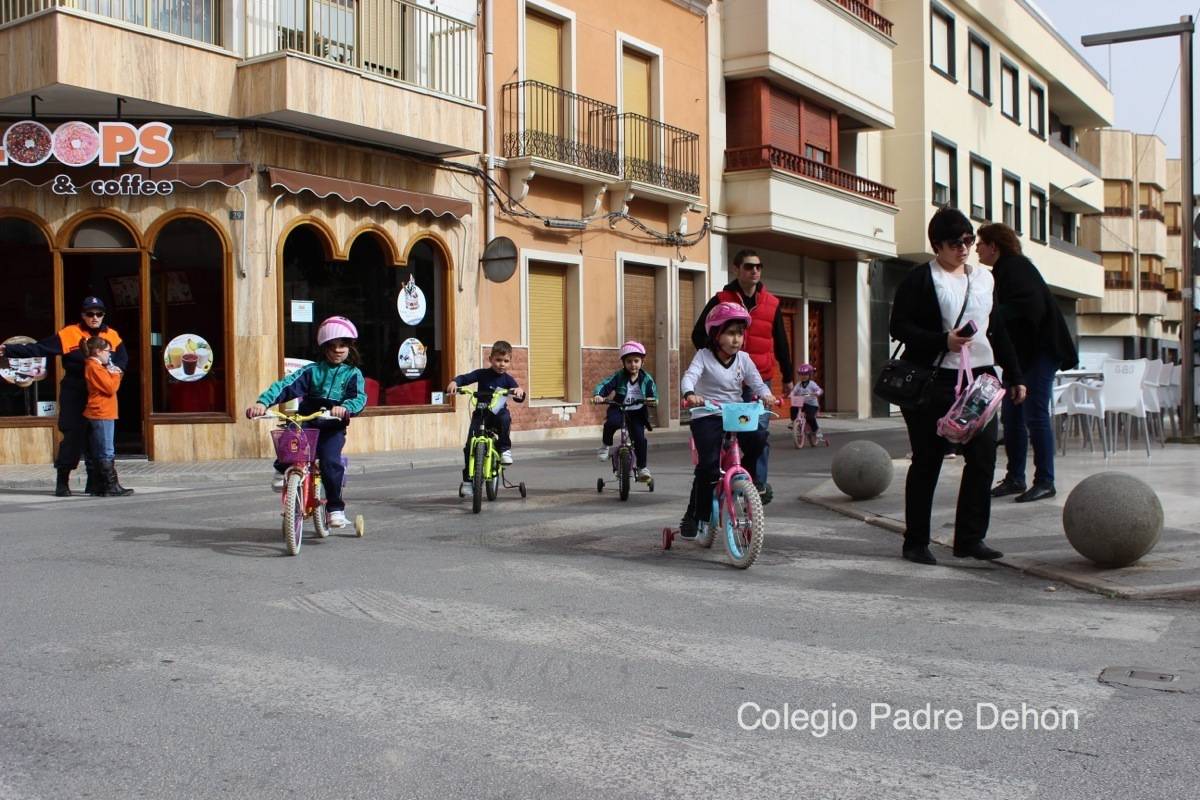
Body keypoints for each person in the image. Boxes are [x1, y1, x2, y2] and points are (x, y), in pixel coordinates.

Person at [889, 208, 1027, 566]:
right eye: (955, 243)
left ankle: (970, 538)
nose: (964, 248)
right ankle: (916, 541)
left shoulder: (985, 279)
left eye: (969, 240)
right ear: (937, 245)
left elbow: (996, 328)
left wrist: (1014, 375)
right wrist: (942, 340)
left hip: (979, 379)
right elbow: (899, 326)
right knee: (928, 459)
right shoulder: (921, 279)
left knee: (982, 459)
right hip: (933, 378)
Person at [976, 222, 1079, 504]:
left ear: (994, 246)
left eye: (980, 243)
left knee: (1034, 415)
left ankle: (1045, 481)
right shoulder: (1003, 270)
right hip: (1021, 355)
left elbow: (1028, 307)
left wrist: (991, 316)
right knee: (1011, 417)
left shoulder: (1016, 267)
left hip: (1040, 351)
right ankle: (1015, 478)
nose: (976, 248)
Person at [691, 249, 793, 504]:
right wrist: (716, 359)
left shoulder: (772, 302)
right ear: (737, 269)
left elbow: (781, 341)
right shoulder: (722, 299)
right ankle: (722, 474)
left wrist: (788, 375)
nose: (755, 271)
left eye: (758, 266)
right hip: (730, 380)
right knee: (723, 433)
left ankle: (755, 485)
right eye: (749, 267)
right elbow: (698, 333)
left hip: (760, 377)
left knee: (757, 432)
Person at [0, 297, 129, 497]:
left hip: (97, 391)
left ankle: (95, 484)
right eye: (90, 313)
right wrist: (7, 350)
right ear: (82, 315)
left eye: (99, 313)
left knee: (98, 439)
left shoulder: (111, 335)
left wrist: (114, 372)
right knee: (73, 435)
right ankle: (62, 482)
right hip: (75, 390)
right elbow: (39, 348)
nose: (94, 317)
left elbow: (122, 359)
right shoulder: (70, 333)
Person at [245, 316, 366, 528]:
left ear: (349, 348)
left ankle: (335, 509)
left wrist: (345, 408)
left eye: (343, 345)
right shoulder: (312, 371)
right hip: (308, 422)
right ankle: (281, 469)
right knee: (290, 434)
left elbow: (359, 398)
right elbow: (285, 386)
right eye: (332, 346)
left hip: (332, 427)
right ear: (323, 348)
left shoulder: (352, 374)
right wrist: (263, 403)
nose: (338, 350)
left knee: (330, 462)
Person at [678, 302, 778, 539]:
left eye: (740, 333)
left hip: (734, 412)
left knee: (758, 437)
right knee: (709, 466)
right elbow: (689, 378)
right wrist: (690, 395)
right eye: (731, 333)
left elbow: (757, 381)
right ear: (716, 334)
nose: (737, 339)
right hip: (707, 413)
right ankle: (696, 515)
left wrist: (766, 395)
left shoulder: (743, 358)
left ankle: (753, 483)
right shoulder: (703, 356)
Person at [446, 340, 526, 497]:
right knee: (469, 446)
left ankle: (504, 449)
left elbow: (518, 394)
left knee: (505, 418)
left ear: (510, 362)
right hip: (481, 415)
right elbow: (466, 378)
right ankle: (468, 482)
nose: (501, 364)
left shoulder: (507, 380)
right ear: (490, 359)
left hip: (497, 415)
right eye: (498, 360)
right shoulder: (482, 374)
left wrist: (518, 391)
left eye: (506, 361)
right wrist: (455, 382)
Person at [591, 340, 658, 480]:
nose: (633, 364)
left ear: (642, 362)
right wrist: (598, 395)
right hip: (619, 408)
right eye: (629, 361)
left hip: (637, 412)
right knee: (611, 423)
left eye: (636, 361)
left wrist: (652, 401)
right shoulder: (619, 376)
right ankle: (605, 445)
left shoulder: (647, 379)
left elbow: (653, 394)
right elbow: (605, 385)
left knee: (640, 439)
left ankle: (642, 468)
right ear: (624, 363)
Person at [82, 337, 133, 497]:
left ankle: (99, 486)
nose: (109, 355)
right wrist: (116, 374)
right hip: (101, 412)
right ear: (98, 351)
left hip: (102, 411)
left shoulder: (97, 366)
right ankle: (111, 486)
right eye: (107, 351)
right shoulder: (94, 366)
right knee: (106, 451)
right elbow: (110, 388)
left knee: (100, 450)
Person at [789, 363, 824, 444]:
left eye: (805, 374)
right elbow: (794, 391)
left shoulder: (812, 384)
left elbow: (818, 389)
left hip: (812, 404)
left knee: (810, 417)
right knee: (793, 408)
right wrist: (791, 395)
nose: (803, 376)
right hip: (801, 403)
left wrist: (817, 392)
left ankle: (816, 430)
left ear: (809, 375)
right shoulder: (799, 384)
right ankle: (794, 421)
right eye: (801, 375)